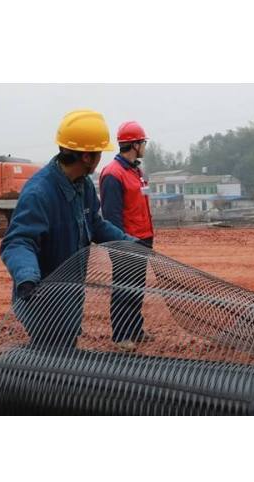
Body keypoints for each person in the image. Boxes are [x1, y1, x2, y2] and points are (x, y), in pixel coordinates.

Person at [0, 109, 135, 349]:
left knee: (64, 350)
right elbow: (18, 242)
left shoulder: (82, 185)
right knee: (51, 359)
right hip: (41, 299)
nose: (99, 158)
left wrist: (128, 244)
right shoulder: (40, 193)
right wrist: (28, 277)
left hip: (69, 297)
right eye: (98, 153)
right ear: (86, 157)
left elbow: (95, 223)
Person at [99, 121, 154, 350]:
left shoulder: (135, 171)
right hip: (126, 241)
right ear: (134, 144)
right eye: (142, 142)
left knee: (137, 286)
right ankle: (122, 335)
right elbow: (111, 216)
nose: (144, 146)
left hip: (143, 237)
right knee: (124, 286)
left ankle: (135, 329)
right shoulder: (113, 174)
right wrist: (121, 245)